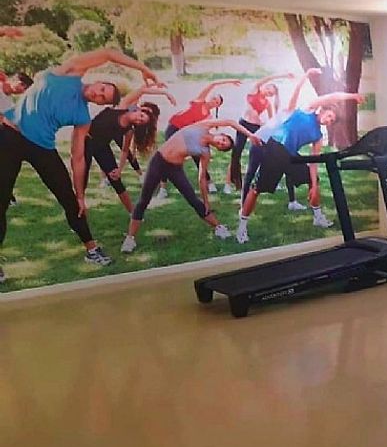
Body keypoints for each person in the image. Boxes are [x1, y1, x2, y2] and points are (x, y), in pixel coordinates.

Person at [0, 48, 161, 283]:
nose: (98, 94)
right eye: (102, 89)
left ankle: (92, 250)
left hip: (42, 147)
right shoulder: (68, 72)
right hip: (10, 137)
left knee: (72, 202)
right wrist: (143, 69)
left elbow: (78, 157)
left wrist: (81, 194)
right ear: (98, 81)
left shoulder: (82, 117)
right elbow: (108, 53)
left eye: (102, 98)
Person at [236, 74, 365, 244]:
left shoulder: (318, 136)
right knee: (256, 189)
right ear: (322, 110)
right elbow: (331, 97)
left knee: (314, 180)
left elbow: (313, 163)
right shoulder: (308, 109)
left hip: (290, 155)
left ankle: (318, 216)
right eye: (329, 116)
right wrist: (352, 96)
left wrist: (314, 186)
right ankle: (242, 227)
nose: (328, 121)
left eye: (331, 120)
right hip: (274, 149)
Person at [121, 119, 262, 254]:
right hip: (158, 161)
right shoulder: (203, 126)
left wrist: (206, 201)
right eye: (223, 140)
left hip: (175, 168)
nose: (221, 143)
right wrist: (250, 135)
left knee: (193, 199)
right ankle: (130, 239)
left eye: (222, 146)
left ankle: (218, 227)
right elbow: (230, 122)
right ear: (221, 134)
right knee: (144, 200)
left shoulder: (205, 152)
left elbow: (202, 178)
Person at [84, 85, 175, 213]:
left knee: (116, 182)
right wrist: (165, 93)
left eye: (141, 122)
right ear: (138, 110)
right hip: (84, 141)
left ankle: (133, 214)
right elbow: (142, 90)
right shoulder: (122, 107)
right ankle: (79, 210)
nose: (138, 119)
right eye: (141, 116)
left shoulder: (128, 131)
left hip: (101, 148)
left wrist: (119, 170)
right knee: (82, 178)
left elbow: (125, 151)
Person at [158, 79, 239, 198]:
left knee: (197, 155)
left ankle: (209, 182)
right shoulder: (199, 101)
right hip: (174, 127)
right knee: (167, 157)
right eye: (214, 98)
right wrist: (230, 81)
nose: (214, 101)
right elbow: (212, 84)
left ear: (217, 106)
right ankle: (163, 188)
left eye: (217, 102)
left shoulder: (208, 117)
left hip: (186, 134)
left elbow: (202, 131)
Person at [224, 72, 297, 194]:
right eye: (268, 90)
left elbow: (273, 117)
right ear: (265, 86)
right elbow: (267, 78)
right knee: (236, 153)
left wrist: (277, 95)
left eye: (271, 93)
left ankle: (269, 180)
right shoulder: (255, 91)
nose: (269, 93)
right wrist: (283, 75)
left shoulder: (267, 103)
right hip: (244, 124)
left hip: (255, 127)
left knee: (267, 152)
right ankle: (229, 183)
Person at [0, 71, 33, 207]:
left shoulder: (9, 102)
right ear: (19, 84)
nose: (22, 93)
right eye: (24, 90)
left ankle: (7, 194)